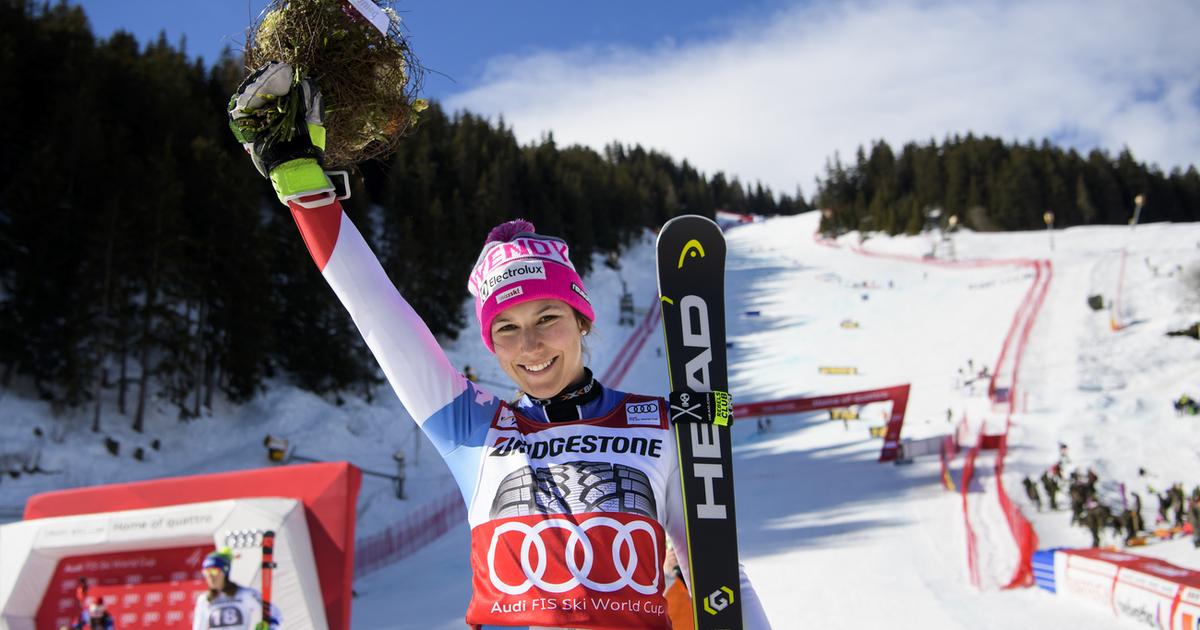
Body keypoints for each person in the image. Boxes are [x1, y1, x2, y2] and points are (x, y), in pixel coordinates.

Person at [228, 63, 772, 629]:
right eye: (506, 328)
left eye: (547, 317)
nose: (530, 343)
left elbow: (722, 581)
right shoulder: (473, 429)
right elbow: (376, 312)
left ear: (582, 320)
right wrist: (306, 192)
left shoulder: (659, 426)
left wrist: (710, 414)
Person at [192, 549, 281, 630]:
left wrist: (270, 627)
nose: (210, 576)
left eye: (214, 571)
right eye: (206, 571)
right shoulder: (205, 600)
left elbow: (275, 613)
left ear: (225, 571)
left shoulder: (245, 594)